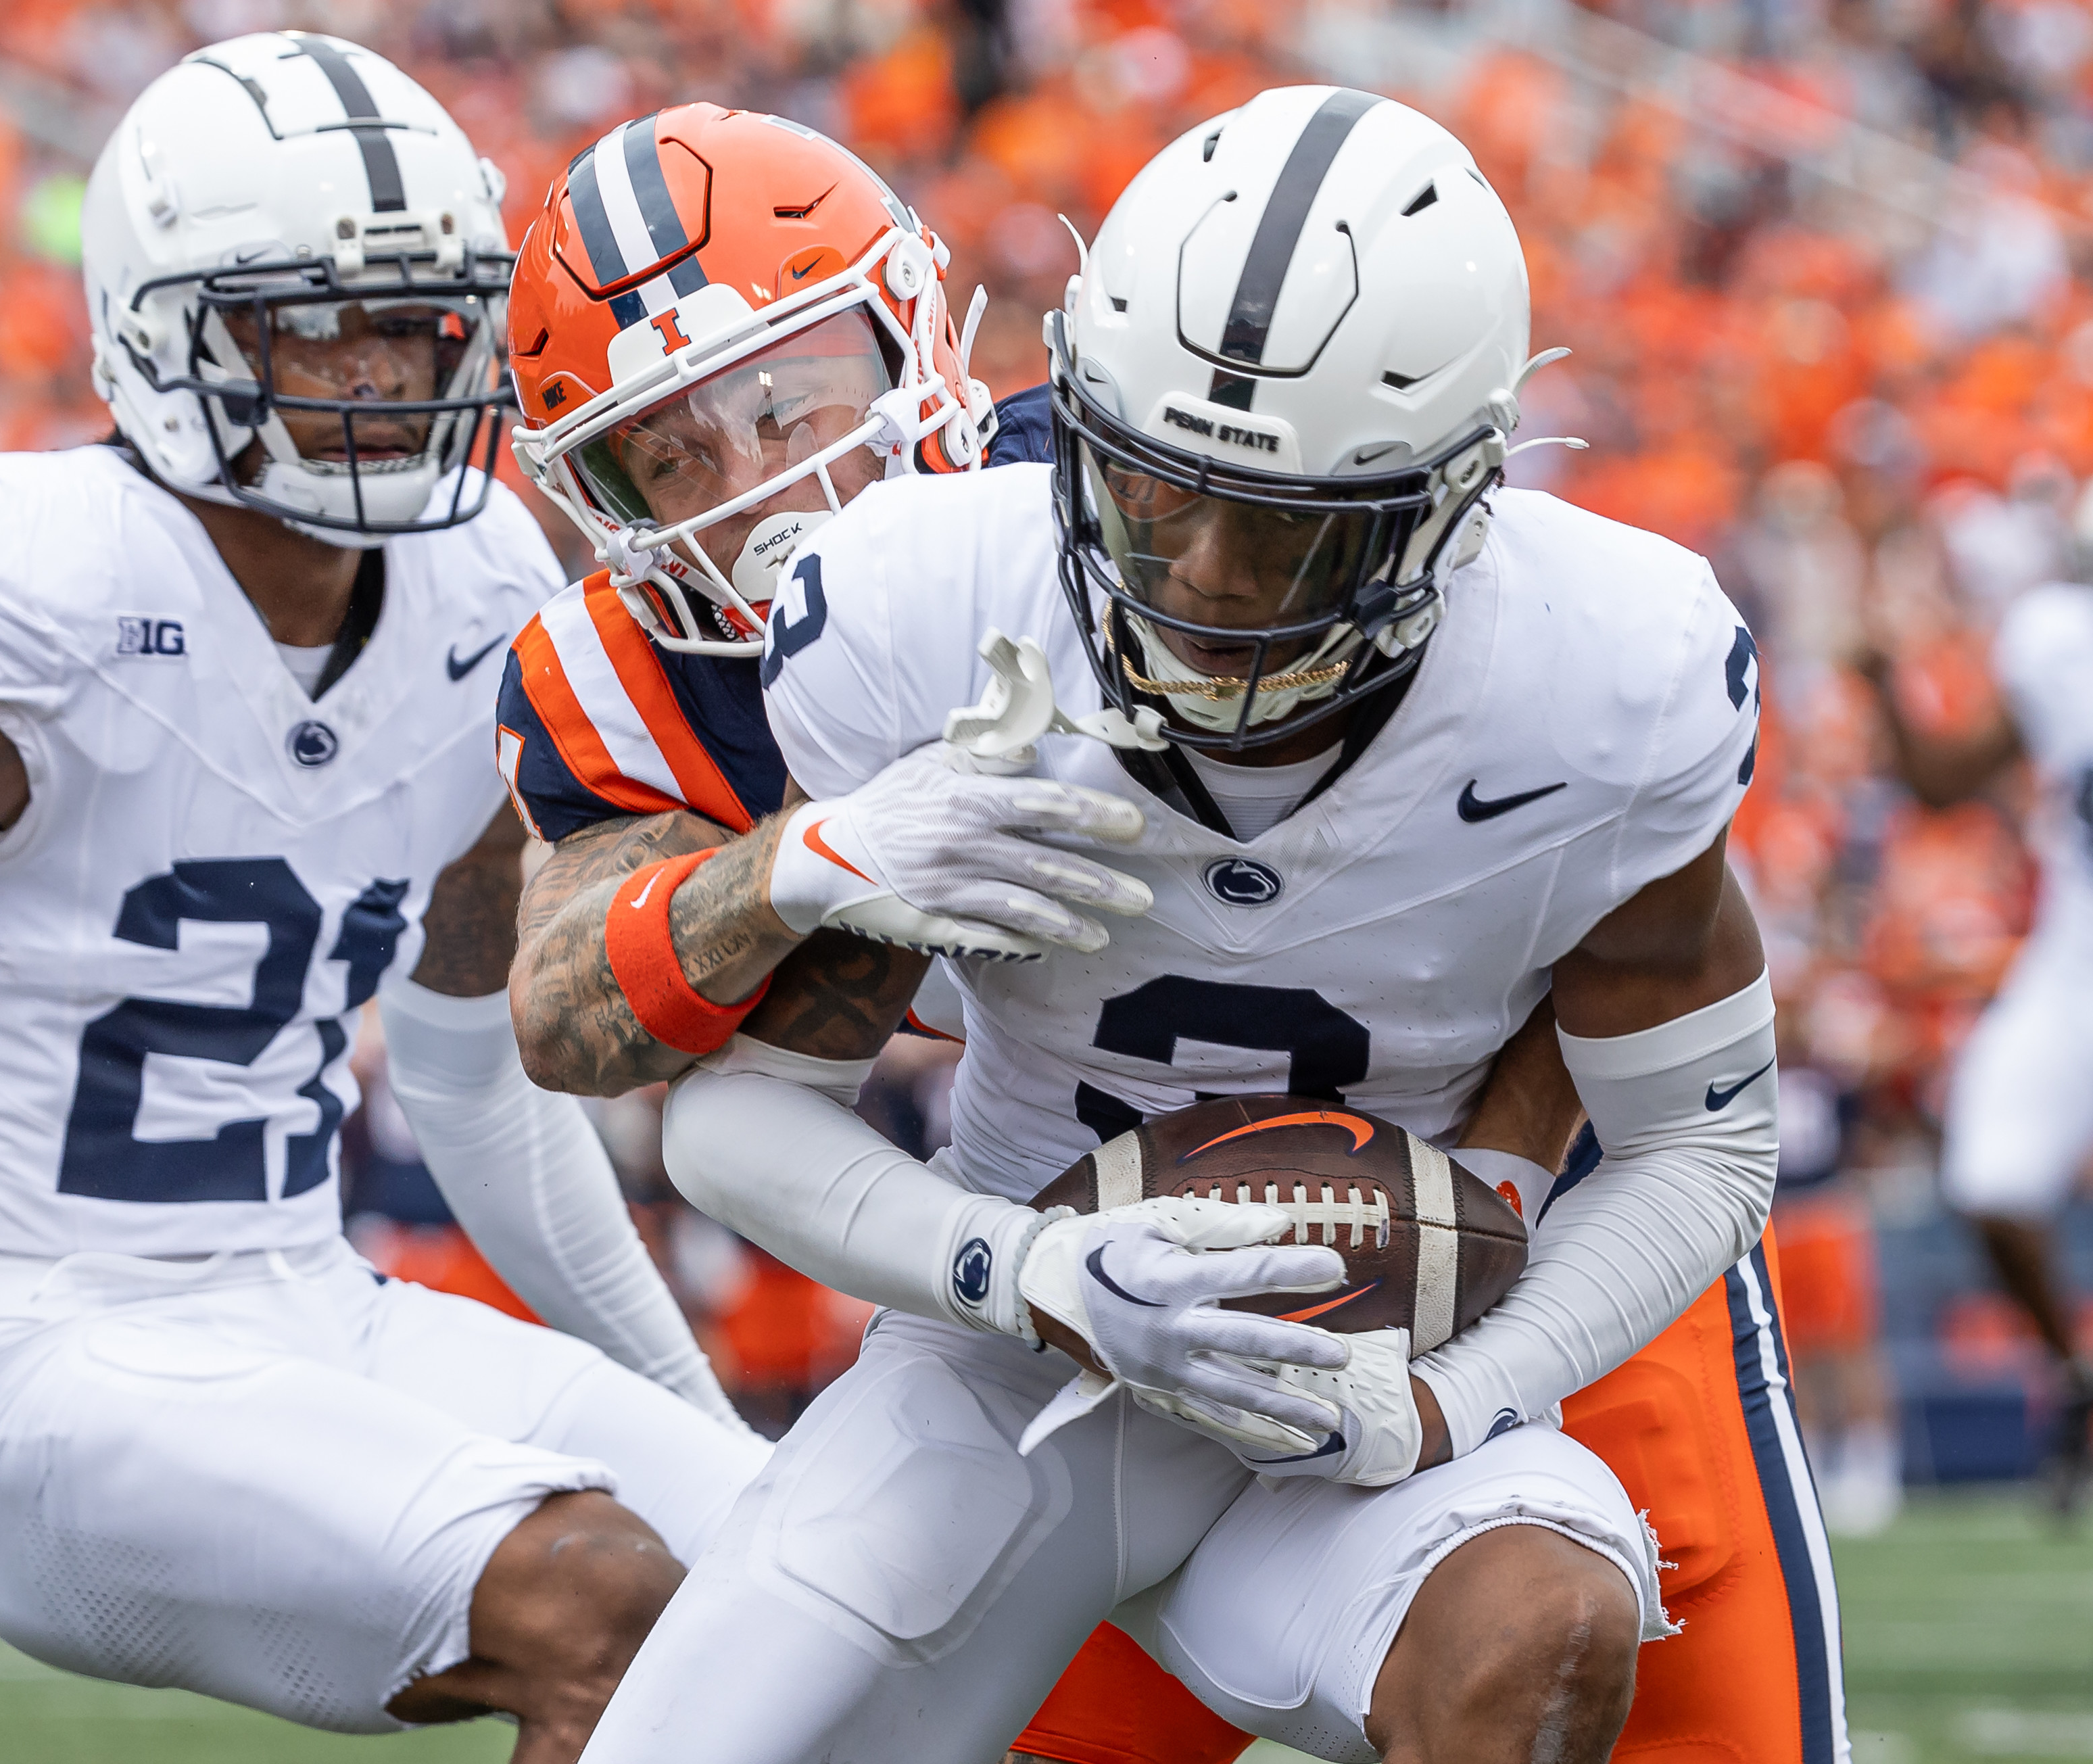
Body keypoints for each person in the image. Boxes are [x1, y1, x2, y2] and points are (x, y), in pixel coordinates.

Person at [591, 87, 1844, 1764]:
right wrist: (1028, 1267)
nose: (1201, 580)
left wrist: (1445, 1397)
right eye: (1150, 495)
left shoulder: (1598, 675)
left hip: (1392, 1348)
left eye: (1285, 531)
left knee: (1536, 1629)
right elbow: (738, 1121)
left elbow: (1700, 1145)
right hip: (1007, 1345)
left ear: (1450, 505)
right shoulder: (922, 604)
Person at [0, 35, 766, 1756]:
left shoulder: (479, 579)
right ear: (166, 328)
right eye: (321, 324)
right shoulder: (36, 592)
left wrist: (690, 1419)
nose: (387, 367)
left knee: (810, 1583)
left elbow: (465, 1078)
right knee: (594, 1599)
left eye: (421, 319)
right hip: (36, 1348)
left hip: (308, 1297)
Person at [1858, 515, 2093, 1512]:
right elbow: (1942, 784)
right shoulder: (2055, 638)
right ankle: (2077, 1379)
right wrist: (1878, 681)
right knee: (1988, 1177)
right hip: (2074, 959)